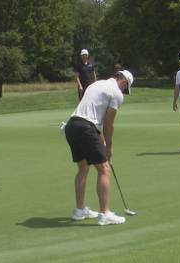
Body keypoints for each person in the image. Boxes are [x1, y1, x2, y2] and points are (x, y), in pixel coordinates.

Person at [64, 70, 134, 226]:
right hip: (86, 128)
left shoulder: (96, 84)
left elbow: (96, 120)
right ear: (123, 81)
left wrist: (100, 139)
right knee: (104, 170)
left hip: (72, 125)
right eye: (125, 87)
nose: (124, 91)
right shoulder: (116, 93)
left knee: (83, 168)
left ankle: (80, 210)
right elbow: (108, 125)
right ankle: (105, 214)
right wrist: (109, 148)